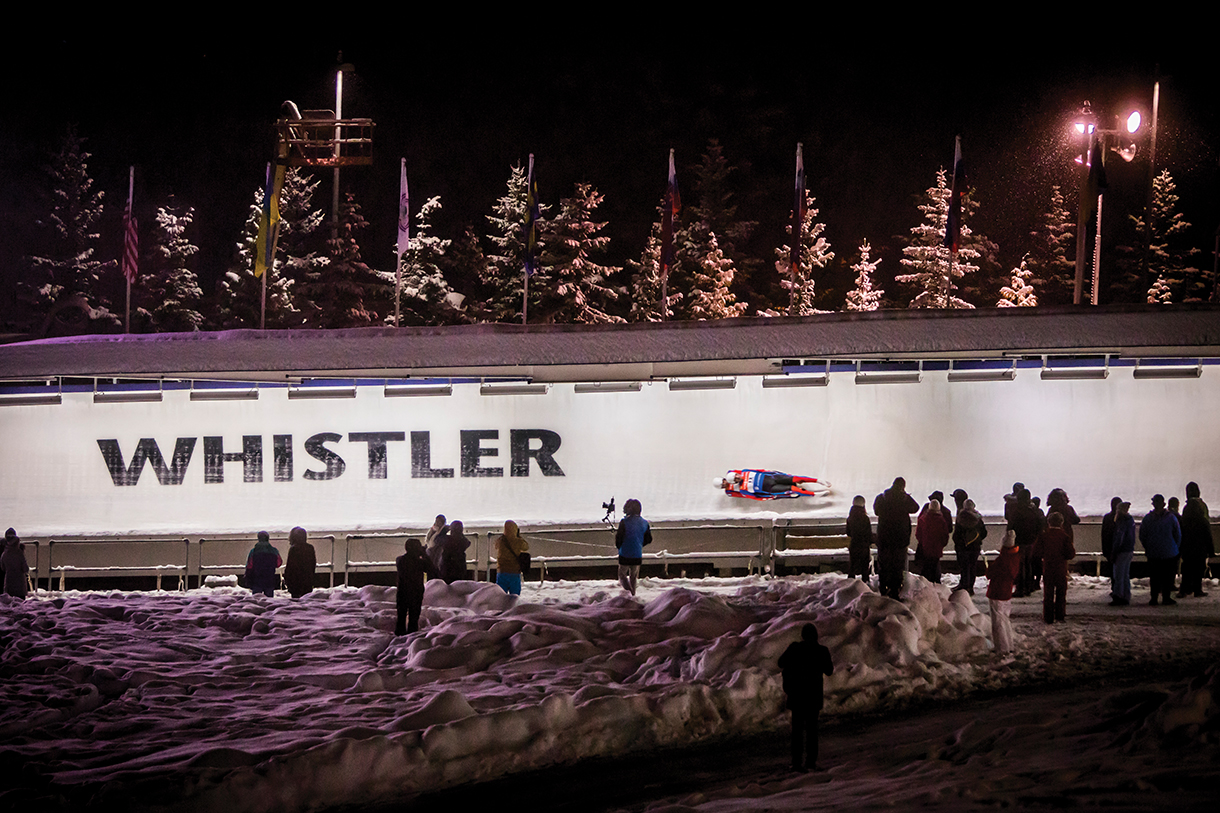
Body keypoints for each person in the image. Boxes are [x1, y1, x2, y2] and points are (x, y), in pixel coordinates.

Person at [778, 623, 834, 772]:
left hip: (797, 695)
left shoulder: (794, 648)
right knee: (812, 730)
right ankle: (811, 762)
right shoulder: (821, 651)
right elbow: (829, 670)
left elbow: (780, 662)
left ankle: (796, 763)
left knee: (797, 731)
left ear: (802, 635)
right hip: (813, 697)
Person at [873, 477, 919, 600]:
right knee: (897, 565)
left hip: (884, 537)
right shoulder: (904, 499)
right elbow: (915, 508)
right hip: (900, 538)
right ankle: (894, 590)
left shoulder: (882, 497)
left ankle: (883, 587)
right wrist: (906, 497)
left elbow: (876, 511)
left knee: (884, 563)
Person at [1032, 512, 1076, 623]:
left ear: (1048, 522)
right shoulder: (1065, 536)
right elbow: (1070, 554)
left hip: (1048, 567)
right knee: (1061, 593)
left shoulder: (1043, 536)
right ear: (1061, 523)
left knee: (1048, 593)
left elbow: (1036, 552)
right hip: (1061, 567)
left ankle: (1048, 617)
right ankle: (1060, 615)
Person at [1140, 494, 1181, 606]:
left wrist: (1148, 546)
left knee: (1155, 577)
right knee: (1167, 576)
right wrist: (1174, 547)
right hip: (1169, 552)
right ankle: (1166, 598)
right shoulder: (1171, 518)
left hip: (1154, 552)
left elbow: (1142, 535)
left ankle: (1154, 598)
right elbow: (1177, 534)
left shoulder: (1148, 518)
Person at [985, 530, 1020, 653]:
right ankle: (1008, 644)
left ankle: (1001, 647)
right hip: (1007, 592)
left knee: (998, 621)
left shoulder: (1002, 560)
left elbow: (990, 574)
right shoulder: (1015, 557)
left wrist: (989, 568)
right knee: (1005, 619)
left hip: (997, 591)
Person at [396, 537, 438, 634]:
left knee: (401, 617)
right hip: (416, 592)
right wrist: (424, 555)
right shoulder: (419, 563)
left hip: (402, 592)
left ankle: (399, 636)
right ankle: (411, 637)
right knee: (413, 618)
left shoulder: (400, 560)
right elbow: (432, 569)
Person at [1179, 482, 1214, 598]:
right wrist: (1211, 550)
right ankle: (1197, 589)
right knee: (1199, 569)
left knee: (1187, 568)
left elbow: (1180, 531)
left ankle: (1184, 589)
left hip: (1187, 546)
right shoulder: (1202, 514)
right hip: (1200, 548)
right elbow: (1207, 532)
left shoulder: (1185, 512)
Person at [1006, 488, 1043, 597]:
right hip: (1031, 541)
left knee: (1020, 566)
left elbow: (1011, 526)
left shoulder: (1017, 511)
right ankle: (1029, 587)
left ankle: (1020, 588)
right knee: (1028, 565)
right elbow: (1039, 525)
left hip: (1020, 541)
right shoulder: (1034, 510)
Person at [615, 499, 652, 596]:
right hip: (637, 554)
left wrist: (620, 547)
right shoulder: (645, 523)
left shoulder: (624, 522)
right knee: (633, 576)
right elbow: (649, 539)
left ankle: (629, 592)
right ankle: (633, 595)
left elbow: (619, 539)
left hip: (625, 554)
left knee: (622, 575)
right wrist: (639, 544)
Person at [952, 498, 987, 594]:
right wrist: (978, 540)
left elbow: (957, 534)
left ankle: (963, 585)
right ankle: (970, 587)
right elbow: (984, 533)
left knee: (964, 567)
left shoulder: (961, 517)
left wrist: (958, 543)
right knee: (972, 567)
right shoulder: (978, 518)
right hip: (975, 547)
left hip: (963, 547)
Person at [914, 496, 951, 584]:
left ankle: (925, 585)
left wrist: (922, 542)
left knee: (925, 567)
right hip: (937, 549)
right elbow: (945, 535)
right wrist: (942, 545)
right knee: (935, 567)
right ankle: (936, 585)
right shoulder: (941, 520)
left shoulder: (923, 519)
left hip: (925, 547)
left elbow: (918, 534)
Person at [1109, 500, 1136, 606]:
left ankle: (1118, 595)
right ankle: (1125, 595)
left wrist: (1114, 551)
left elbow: (1119, 538)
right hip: (1128, 550)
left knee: (1118, 574)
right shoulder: (1130, 520)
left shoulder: (1121, 522)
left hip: (1121, 551)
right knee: (1125, 574)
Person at [494, 520, 529, 595]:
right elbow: (526, 547)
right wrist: (518, 537)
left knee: (501, 594)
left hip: (502, 571)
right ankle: (513, 606)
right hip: (514, 571)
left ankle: (502, 606)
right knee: (515, 595)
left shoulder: (501, 540)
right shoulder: (518, 541)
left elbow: (495, 546)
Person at [282, 526, 317, 599]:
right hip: (307, 578)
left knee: (295, 600)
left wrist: (287, 578)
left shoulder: (294, 549)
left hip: (295, 580)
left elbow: (290, 566)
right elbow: (313, 564)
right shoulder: (310, 548)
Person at [245, 531, 282, 597]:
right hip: (269, 579)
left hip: (256, 580)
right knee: (269, 601)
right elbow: (279, 563)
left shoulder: (253, 551)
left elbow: (249, 565)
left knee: (256, 599)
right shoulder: (274, 551)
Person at [845, 495, 873, 581]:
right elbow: (868, 533)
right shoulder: (865, 518)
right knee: (865, 566)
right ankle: (865, 582)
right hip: (864, 545)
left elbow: (848, 532)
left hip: (854, 544)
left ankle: (850, 582)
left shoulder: (850, 518)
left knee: (852, 565)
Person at [2, 528, 30, 599]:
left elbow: (2, 567)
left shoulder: (4, 554)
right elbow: (25, 568)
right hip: (20, 585)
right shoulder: (19, 553)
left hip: (9, 584)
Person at [1101, 497, 1122, 564]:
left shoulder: (1107, 517)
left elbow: (1104, 534)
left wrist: (1104, 549)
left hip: (1109, 547)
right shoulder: (1123, 518)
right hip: (1120, 549)